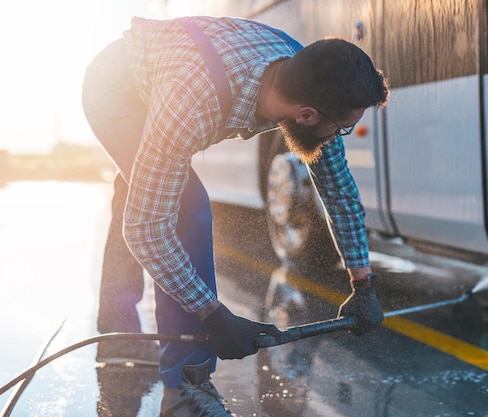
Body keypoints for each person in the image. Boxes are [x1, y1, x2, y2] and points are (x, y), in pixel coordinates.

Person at [82, 15, 389, 417]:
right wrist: (213, 314)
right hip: (118, 88)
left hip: (169, 73)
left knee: (144, 195)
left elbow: (337, 187)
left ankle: (118, 333)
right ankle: (185, 387)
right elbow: (146, 229)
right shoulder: (195, 98)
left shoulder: (308, 74)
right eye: (343, 129)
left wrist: (362, 282)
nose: (340, 137)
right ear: (308, 115)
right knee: (181, 208)